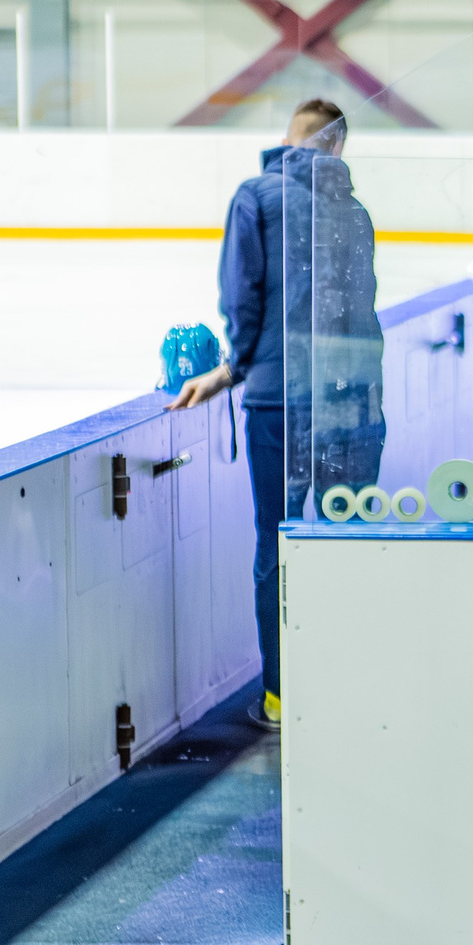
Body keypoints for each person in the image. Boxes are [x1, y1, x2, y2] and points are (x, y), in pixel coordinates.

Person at [171, 97, 383, 733]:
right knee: (346, 533)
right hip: (352, 401)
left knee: (279, 538)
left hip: (278, 399)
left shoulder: (255, 198)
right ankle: (347, 679)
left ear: (290, 140)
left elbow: (243, 296)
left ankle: (282, 696)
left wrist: (233, 367)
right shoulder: (355, 210)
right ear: (338, 148)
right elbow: (361, 305)